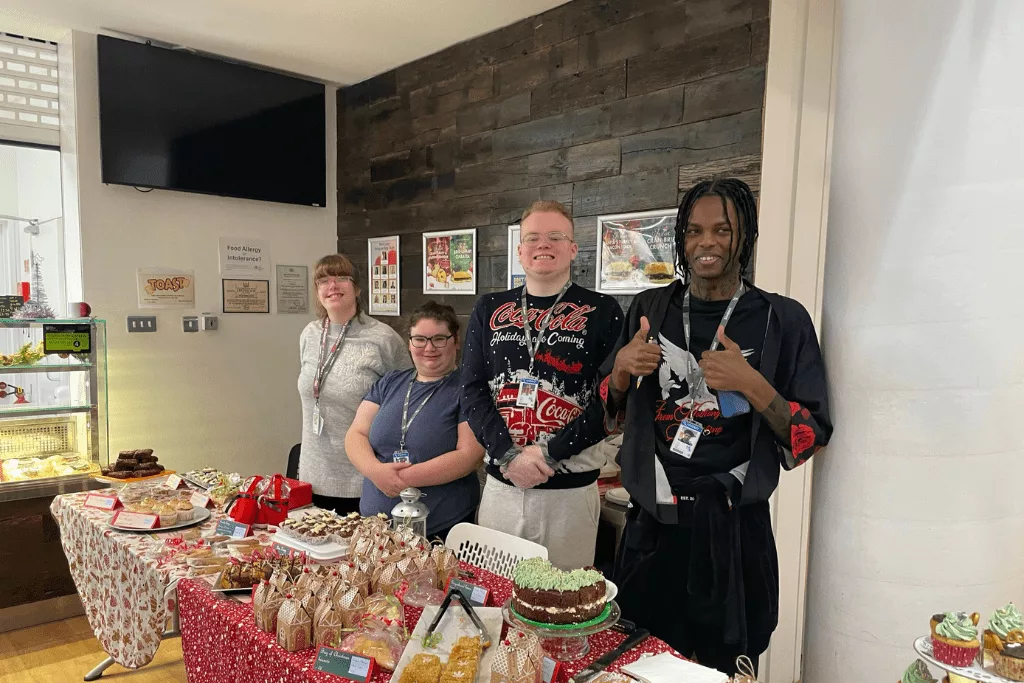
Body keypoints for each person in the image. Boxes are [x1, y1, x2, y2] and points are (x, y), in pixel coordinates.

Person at [601, 178, 832, 675]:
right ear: (682, 240)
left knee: (726, 669)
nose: (707, 242)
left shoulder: (782, 319)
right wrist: (620, 372)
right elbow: (608, 410)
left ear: (744, 236)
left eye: (722, 230)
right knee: (640, 665)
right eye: (695, 231)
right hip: (652, 528)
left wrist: (753, 384)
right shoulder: (648, 309)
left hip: (732, 530)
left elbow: (811, 437)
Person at [461, 199, 624, 568]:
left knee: (562, 611)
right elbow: (471, 389)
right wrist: (508, 454)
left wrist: (549, 453)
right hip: (502, 487)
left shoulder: (603, 310)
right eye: (532, 237)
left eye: (555, 236)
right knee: (494, 599)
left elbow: (613, 399)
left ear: (573, 249)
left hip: (571, 493)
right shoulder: (489, 307)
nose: (543, 245)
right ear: (520, 250)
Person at [345, 302, 484, 541]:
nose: (429, 348)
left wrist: (399, 480)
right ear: (409, 342)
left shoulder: (468, 389)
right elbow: (355, 434)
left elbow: (469, 456)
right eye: (420, 339)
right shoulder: (390, 382)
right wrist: (376, 472)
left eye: (439, 339)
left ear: (456, 341)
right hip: (375, 529)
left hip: (440, 532)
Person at [297, 253, 410, 514]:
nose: (332, 286)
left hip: (364, 478)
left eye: (342, 278)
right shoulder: (309, 334)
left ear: (357, 288)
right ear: (317, 291)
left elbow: (406, 400)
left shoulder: (382, 338)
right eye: (323, 280)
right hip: (314, 474)